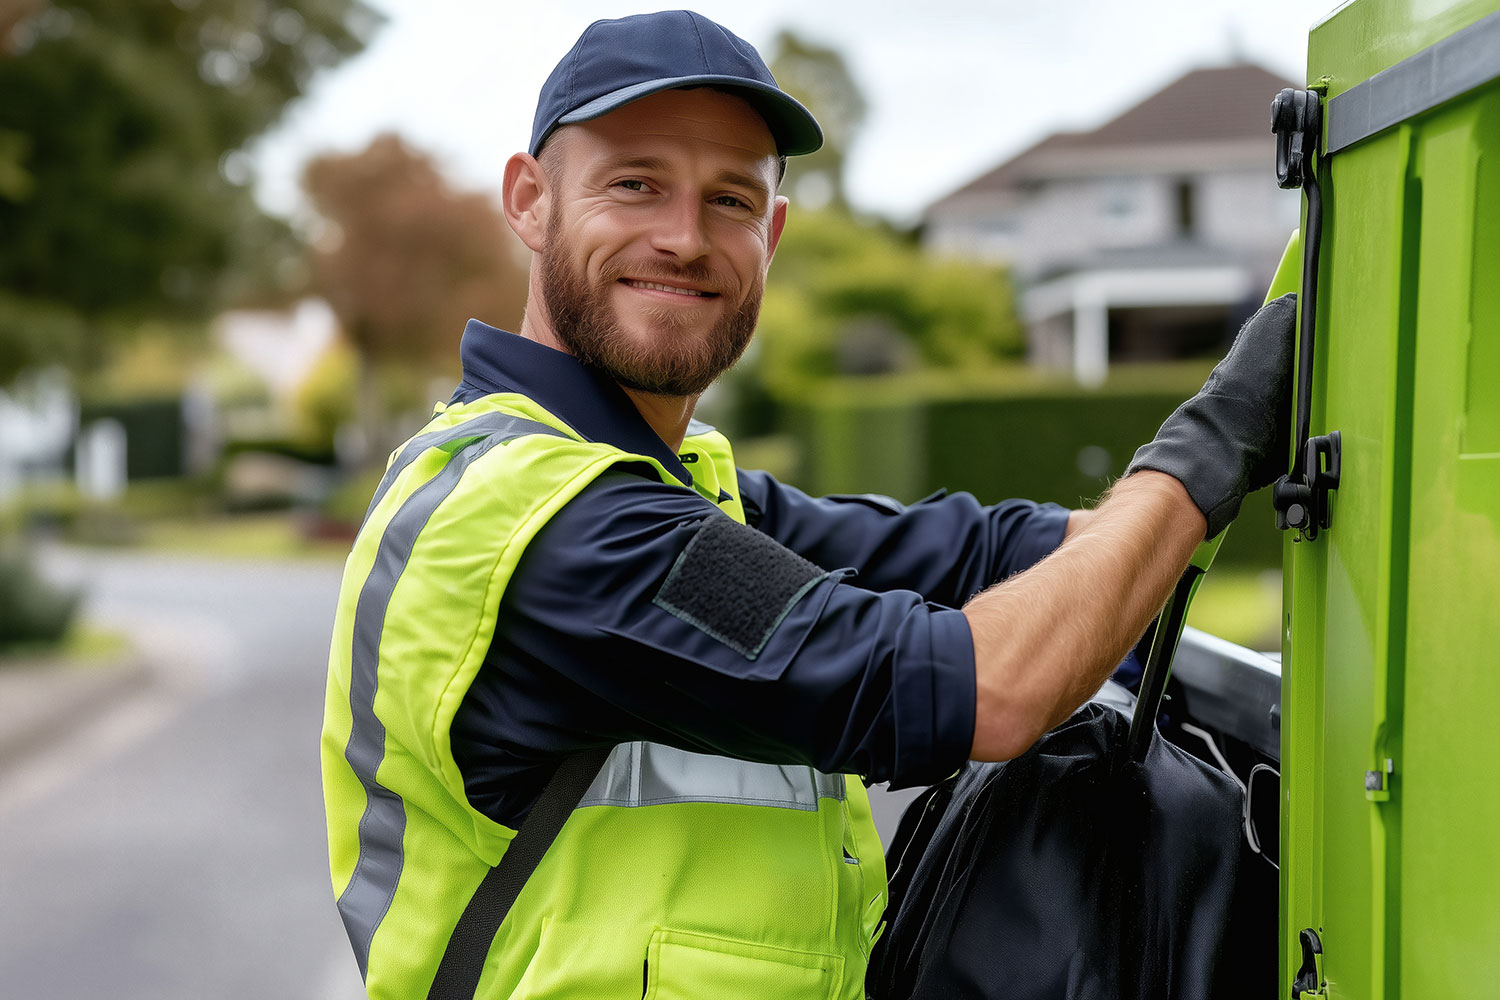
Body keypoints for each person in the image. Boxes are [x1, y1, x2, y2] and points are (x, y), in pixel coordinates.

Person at [321, 10, 1296, 999]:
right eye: (634, 184)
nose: (684, 238)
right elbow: (993, 687)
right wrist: (1208, 449)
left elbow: (997, 554)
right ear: (531, 201)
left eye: (731, 199)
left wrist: (1161, 511)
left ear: (772, 233)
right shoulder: (552, 525)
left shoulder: (678, 488)